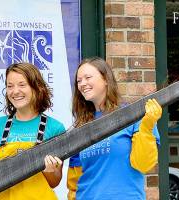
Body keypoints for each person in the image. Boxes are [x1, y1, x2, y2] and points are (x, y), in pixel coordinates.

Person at [67, 57, 162, 200]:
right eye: (79, 81)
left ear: (105, 79)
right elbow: (74, 183)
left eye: (87, 77)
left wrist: (147, 127)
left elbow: (144, 164)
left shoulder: (133, 116)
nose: (82, 84)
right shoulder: (80, 128)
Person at [0, 63, 65, 200]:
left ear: (37, 87)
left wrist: (50, 171)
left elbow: (54, 182)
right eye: (10, 86)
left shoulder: (55, 128)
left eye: (22, 85)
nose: (15, 91)